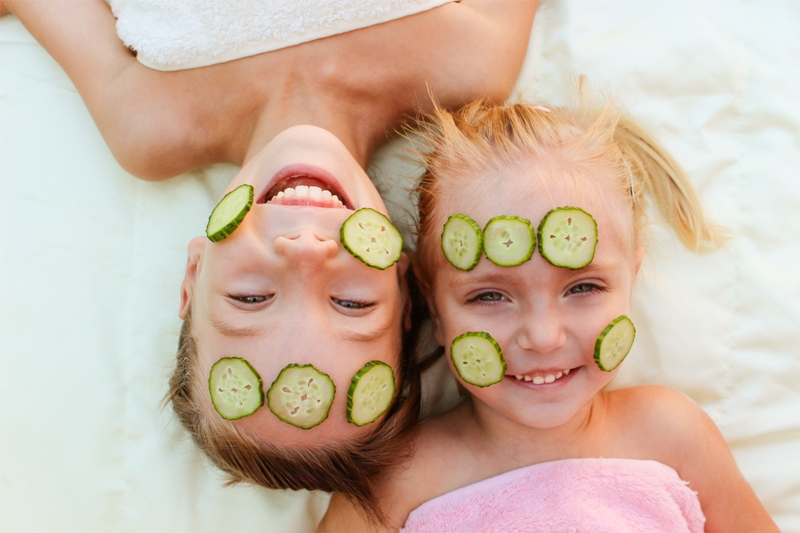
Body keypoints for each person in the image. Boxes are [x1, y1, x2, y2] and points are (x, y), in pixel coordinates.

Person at [1, 0, 538, 518]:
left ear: (194, 276)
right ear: (402, 283)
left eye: (252, 297)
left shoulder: (149, 123)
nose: (306, 252)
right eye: (350, 303)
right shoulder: (471, 61)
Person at [319, 97, 781, 531]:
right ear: (434, 307)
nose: (543, 337)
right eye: (489, 296)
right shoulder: (399, 477)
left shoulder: (672, 433)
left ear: (631, 282)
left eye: (583, 287)